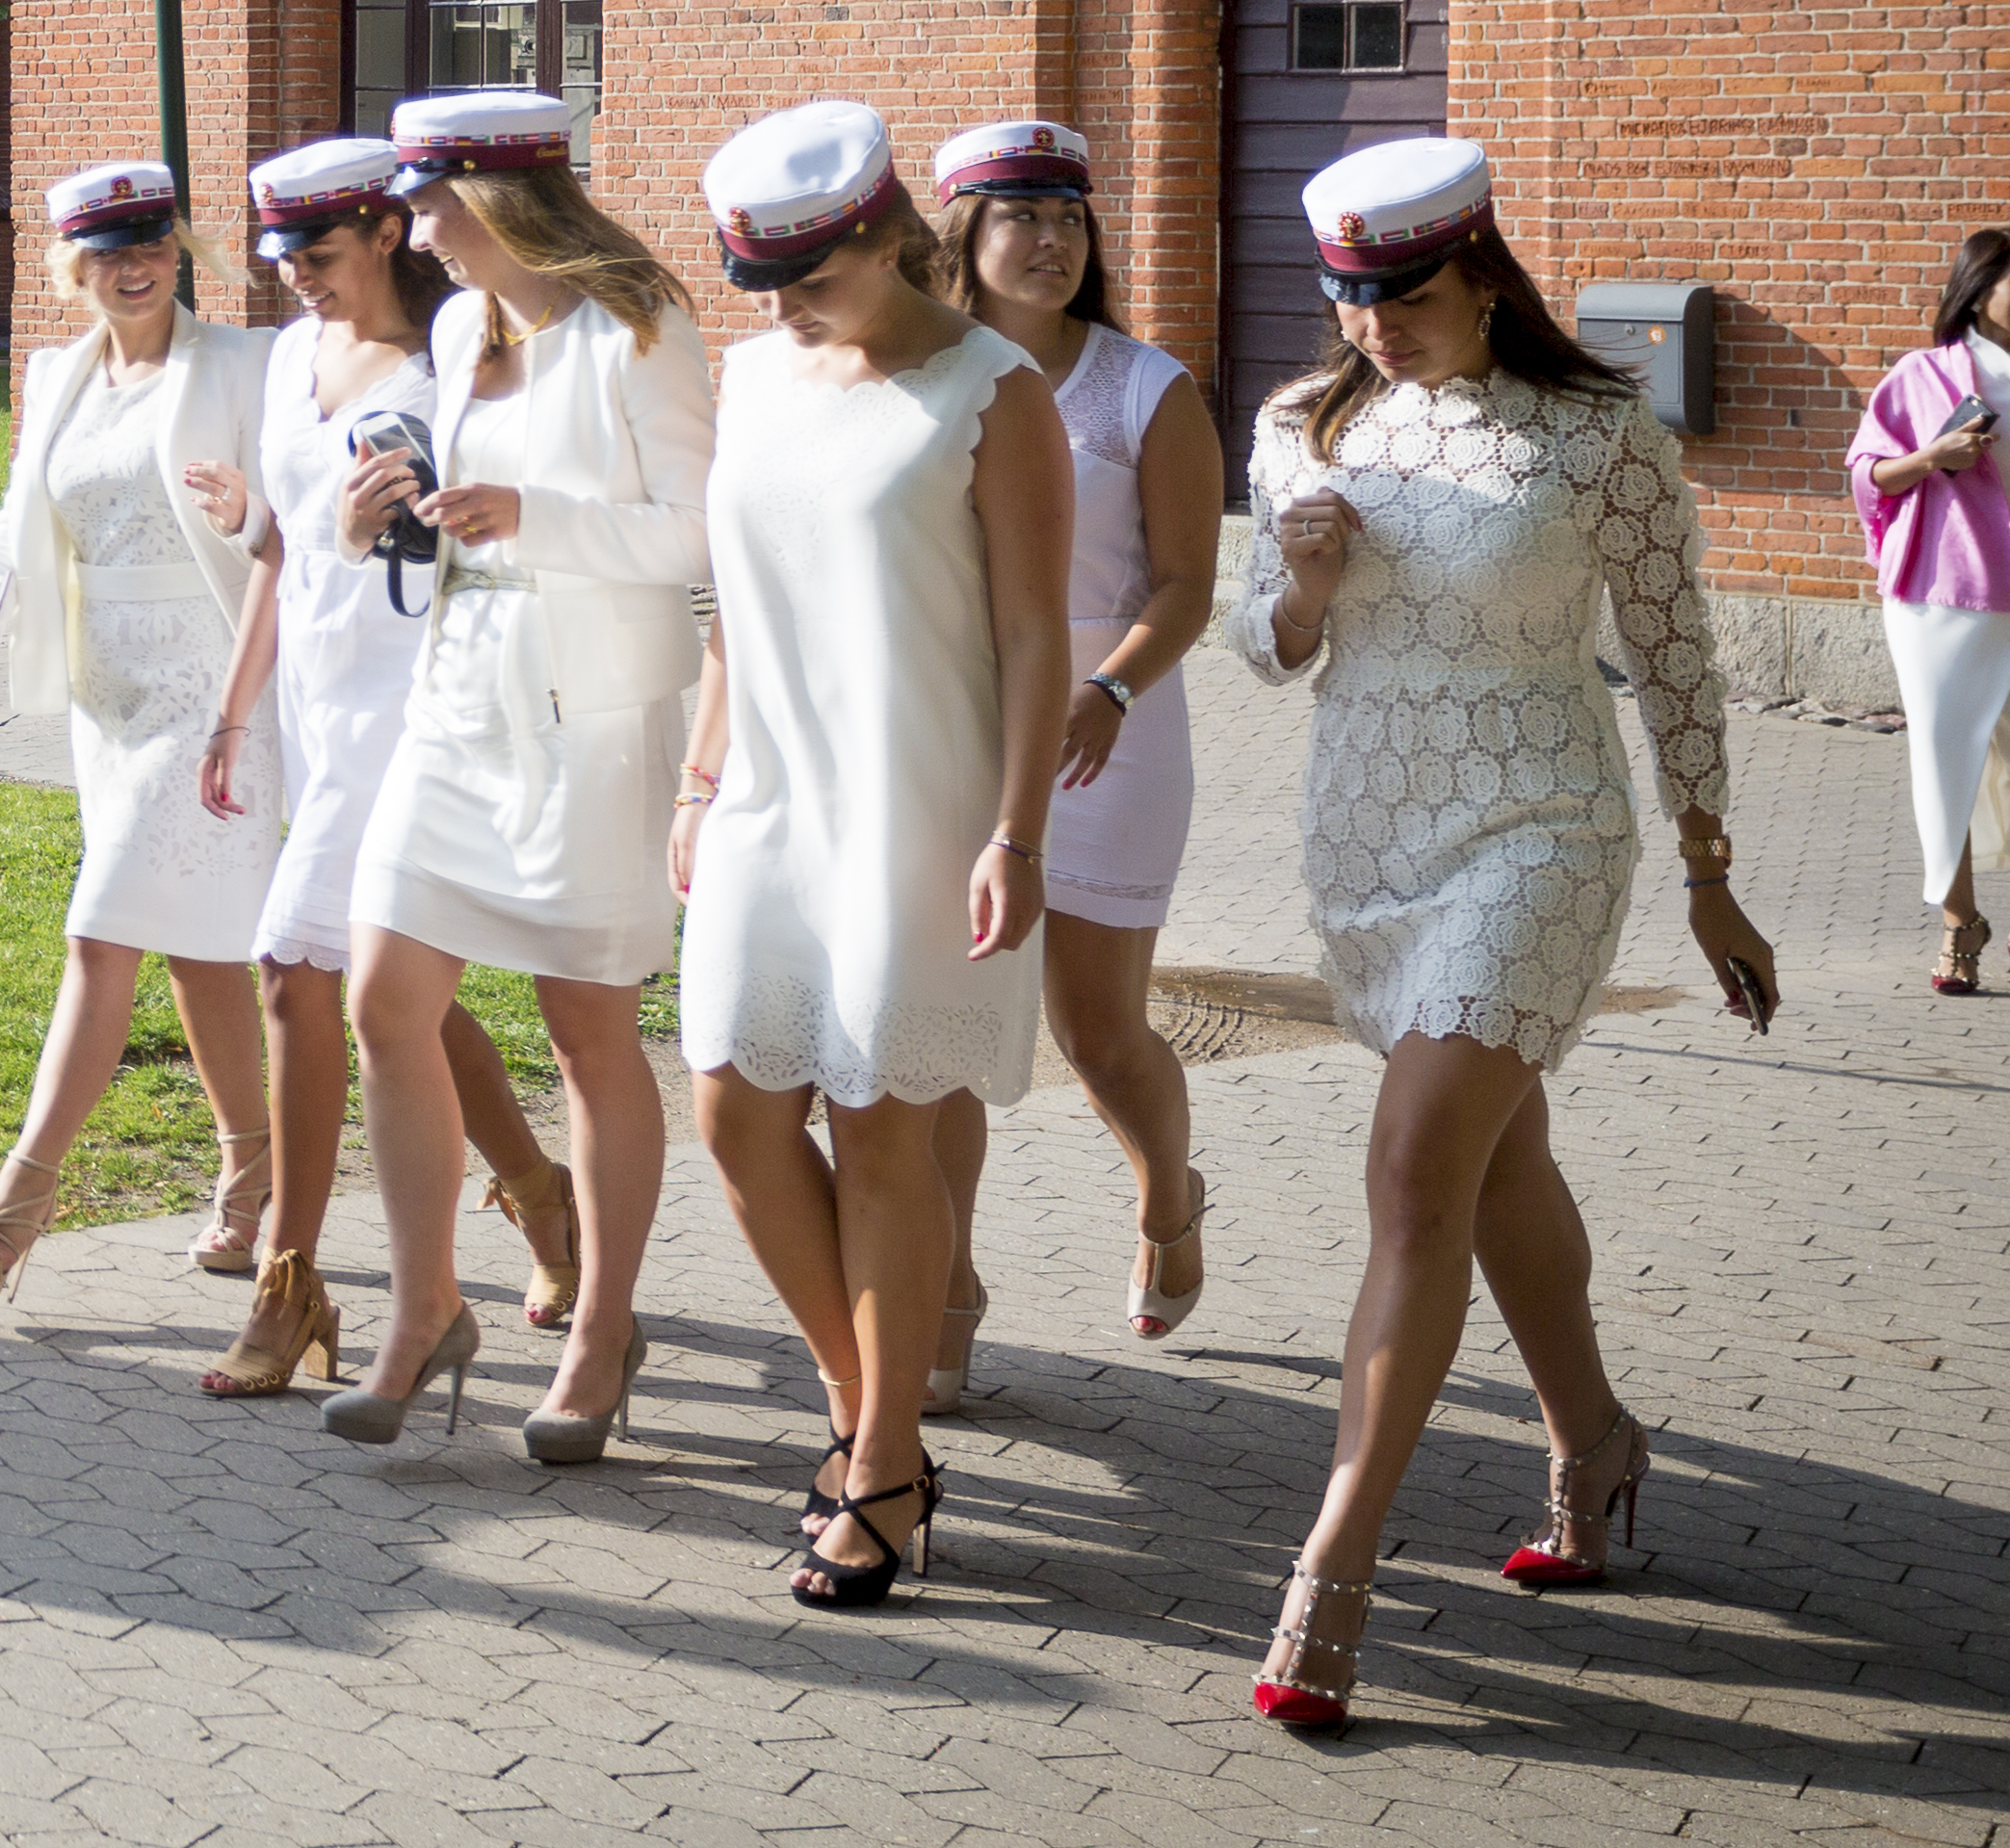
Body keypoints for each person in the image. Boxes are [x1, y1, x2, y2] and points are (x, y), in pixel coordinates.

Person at [1229, 138, 1781, 1733]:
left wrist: (1707, 868)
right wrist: (1305, 584)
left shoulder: (1598, 430)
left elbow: (1672, 655)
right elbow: (1266, 649)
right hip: (1366, 838)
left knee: (1411, 1174)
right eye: (1343, 299)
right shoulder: (1299, 424)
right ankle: (1592, 1438)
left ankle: (1329, 1565)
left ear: (1475, 267)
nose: (1368, 327)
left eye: (1394, 295)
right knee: (1495, 1165)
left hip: (1540, 832)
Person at [672, 103, 1073, 1607]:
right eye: (757, 280)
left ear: (883, 233)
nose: (778, 306)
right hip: (768, 801)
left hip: (924, 803)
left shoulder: (993, 391)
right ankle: (873, 1424)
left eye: (807, 277)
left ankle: (885, 1463)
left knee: (879, 1123)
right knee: (731, 1111)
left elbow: (1040, 634)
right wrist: (698, 786)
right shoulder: (752, 374)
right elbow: (732, 603)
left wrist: (1018, 829)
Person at [323, 91, 712, 1462]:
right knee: (384, 993)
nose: (412, 229)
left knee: (587, 1035)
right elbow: (451, 512)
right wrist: (374, 516)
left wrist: (539, 521)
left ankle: (602, 1332)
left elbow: (695, 535)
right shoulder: (454, 325)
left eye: (429, 203)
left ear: (500, 198)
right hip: (457, 693)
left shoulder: (640, 329)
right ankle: (426, 1307)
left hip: (592, 713)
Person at [194, 139, 578, 1400]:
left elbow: (525, 515)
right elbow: (281, 549)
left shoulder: (465, 346)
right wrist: (236, 711)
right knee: (388, 988)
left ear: (385, 233)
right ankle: (536, 1190)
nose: (296, 277)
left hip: (430, 708)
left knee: (299, 978)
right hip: (326, 700)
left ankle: (293, 1288)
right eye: (281, 257)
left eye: (318, 252)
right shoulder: (288, 358)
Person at [0, 162, 283, 1294]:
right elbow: (17, 514)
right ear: (71, 267)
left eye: (152, 247)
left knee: (101, 932)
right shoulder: (58, 374)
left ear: (181, 251)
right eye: (109, 254)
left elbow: (300, 524)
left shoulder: (244, 364)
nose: (133, 271)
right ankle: (251, 1178)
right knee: (198, 945)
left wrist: (253, 511)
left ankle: (13, 1210)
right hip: (108, 698)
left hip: (214, 690)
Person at [925, 121, 1224, 1377]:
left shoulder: (1143, 388)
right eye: (1021, 220)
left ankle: (1168, 1197)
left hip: (1110, 731)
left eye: (1069, 221)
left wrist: (1107, 686)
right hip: (952, 724)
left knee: (1094, 1030)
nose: (1051, 244)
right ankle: (942, 1292)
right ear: (965, 238)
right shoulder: (922, 376)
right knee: (936, 1030)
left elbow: (1189, 585)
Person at [1850, 227, 2010, 995]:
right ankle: (1960, 925)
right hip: (1944, 596)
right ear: (1980, 291)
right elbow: (1868, 473)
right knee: (1945, 762)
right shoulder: (1922, 375)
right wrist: (1931, 459)